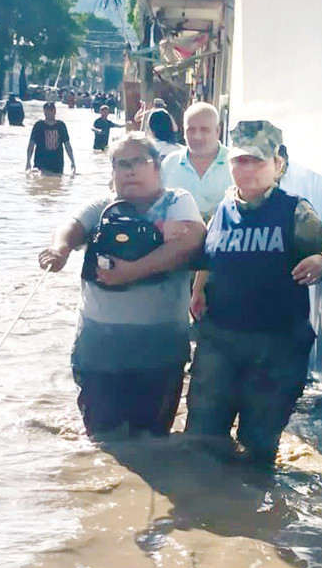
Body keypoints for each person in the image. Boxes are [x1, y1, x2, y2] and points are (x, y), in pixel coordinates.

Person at [187, 121, 322, 466]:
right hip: (220, 342)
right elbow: (207, 258)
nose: (247, 169)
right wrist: (198, 290)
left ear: (278, 164)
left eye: (257, 161)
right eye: (239, 161)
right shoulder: (223, 208)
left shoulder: (295, 211)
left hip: (275, 348)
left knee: (258, 449)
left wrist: (321, 261)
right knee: (201, 439)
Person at [38, 133, 205, 438]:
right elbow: (70, 227)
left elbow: (192, 241)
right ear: (113, 171)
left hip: (159, 347)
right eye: (122, 164)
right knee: (102, 440)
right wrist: (59, 250)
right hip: (100, 346)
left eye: (139, 162)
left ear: (156, 166)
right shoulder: (102, 207)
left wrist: (132, 272)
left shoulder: (177, 202)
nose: (130, 171)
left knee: (151, 440)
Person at [161, 102, 233, 222]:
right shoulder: (170, 164)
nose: (197, 136)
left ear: (217, 131)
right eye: (191, 130)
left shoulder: (234, 163)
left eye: (204, 130)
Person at [26, 102, 76, 175]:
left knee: (57, 180)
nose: (49, 112)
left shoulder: (61, 125)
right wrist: (28, 162)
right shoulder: (38, 125)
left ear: (55, 111)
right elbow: (31, 144)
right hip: (41, 162)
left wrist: (72, 162)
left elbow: (67, 145)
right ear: (44, 112)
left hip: (57, 163)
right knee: (40, 180)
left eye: (51, 110)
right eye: (47, 110)